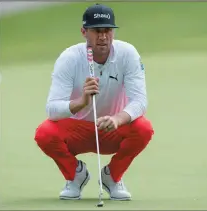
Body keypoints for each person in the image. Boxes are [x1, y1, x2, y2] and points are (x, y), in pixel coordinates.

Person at [34, 3, 154, 201]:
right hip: (77, 130)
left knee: (143, 128)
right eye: (96, 31)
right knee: (45, 133)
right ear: (84, 32)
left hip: (112, 128)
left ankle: (112, 177)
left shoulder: (128, 54)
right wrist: (81, 102)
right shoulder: (69, 58)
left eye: (107, 30)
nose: (103, 37)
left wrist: (117, 119)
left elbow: (140, 101)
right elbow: (52, 109)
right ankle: (75, 175)